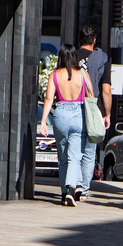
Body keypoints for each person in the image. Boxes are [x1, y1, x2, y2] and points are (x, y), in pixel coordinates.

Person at [40, 44, 94, 207]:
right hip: (78, 114)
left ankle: (65, 192)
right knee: (75, 156)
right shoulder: (83, 74)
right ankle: (71, 188)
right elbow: (91, 96)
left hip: (61, 114)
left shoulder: (54, 75)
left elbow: (49, 99)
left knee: (62, 157)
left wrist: (43, 122)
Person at [77, 25, 112, 201]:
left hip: (73, 106)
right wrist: (107, 114)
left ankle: (72, 185)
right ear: (94, 41)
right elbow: (106, 90)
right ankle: (83, 190)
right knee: (89, 152)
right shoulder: (102, 59)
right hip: (93, 107)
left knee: (74, 149)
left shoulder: (71, 57)